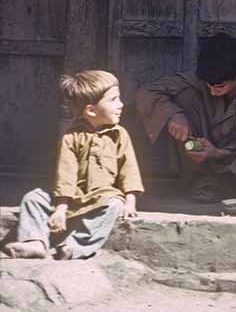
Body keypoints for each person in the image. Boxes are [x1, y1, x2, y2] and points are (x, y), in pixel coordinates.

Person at [3, 71, 143, 259]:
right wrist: (61, 208)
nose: (121, 104)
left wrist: (130, 201)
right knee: (34, 197)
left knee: (115, 205)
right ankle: (35, 242)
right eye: (114, 100)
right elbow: (66, 174)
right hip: (69, 196)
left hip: (101, 196)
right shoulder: (71, 137)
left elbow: (129, 169)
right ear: (91, 110)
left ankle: (74, 247)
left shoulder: (119, 135)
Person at [136, 34, 236, 202]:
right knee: (181, 96)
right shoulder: (204, 79)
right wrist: (175, 115)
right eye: (208, 86)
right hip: (207, 162)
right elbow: (147, 92)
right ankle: (206, 181)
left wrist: (217, 153)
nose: (212, 92)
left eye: (219, 86)